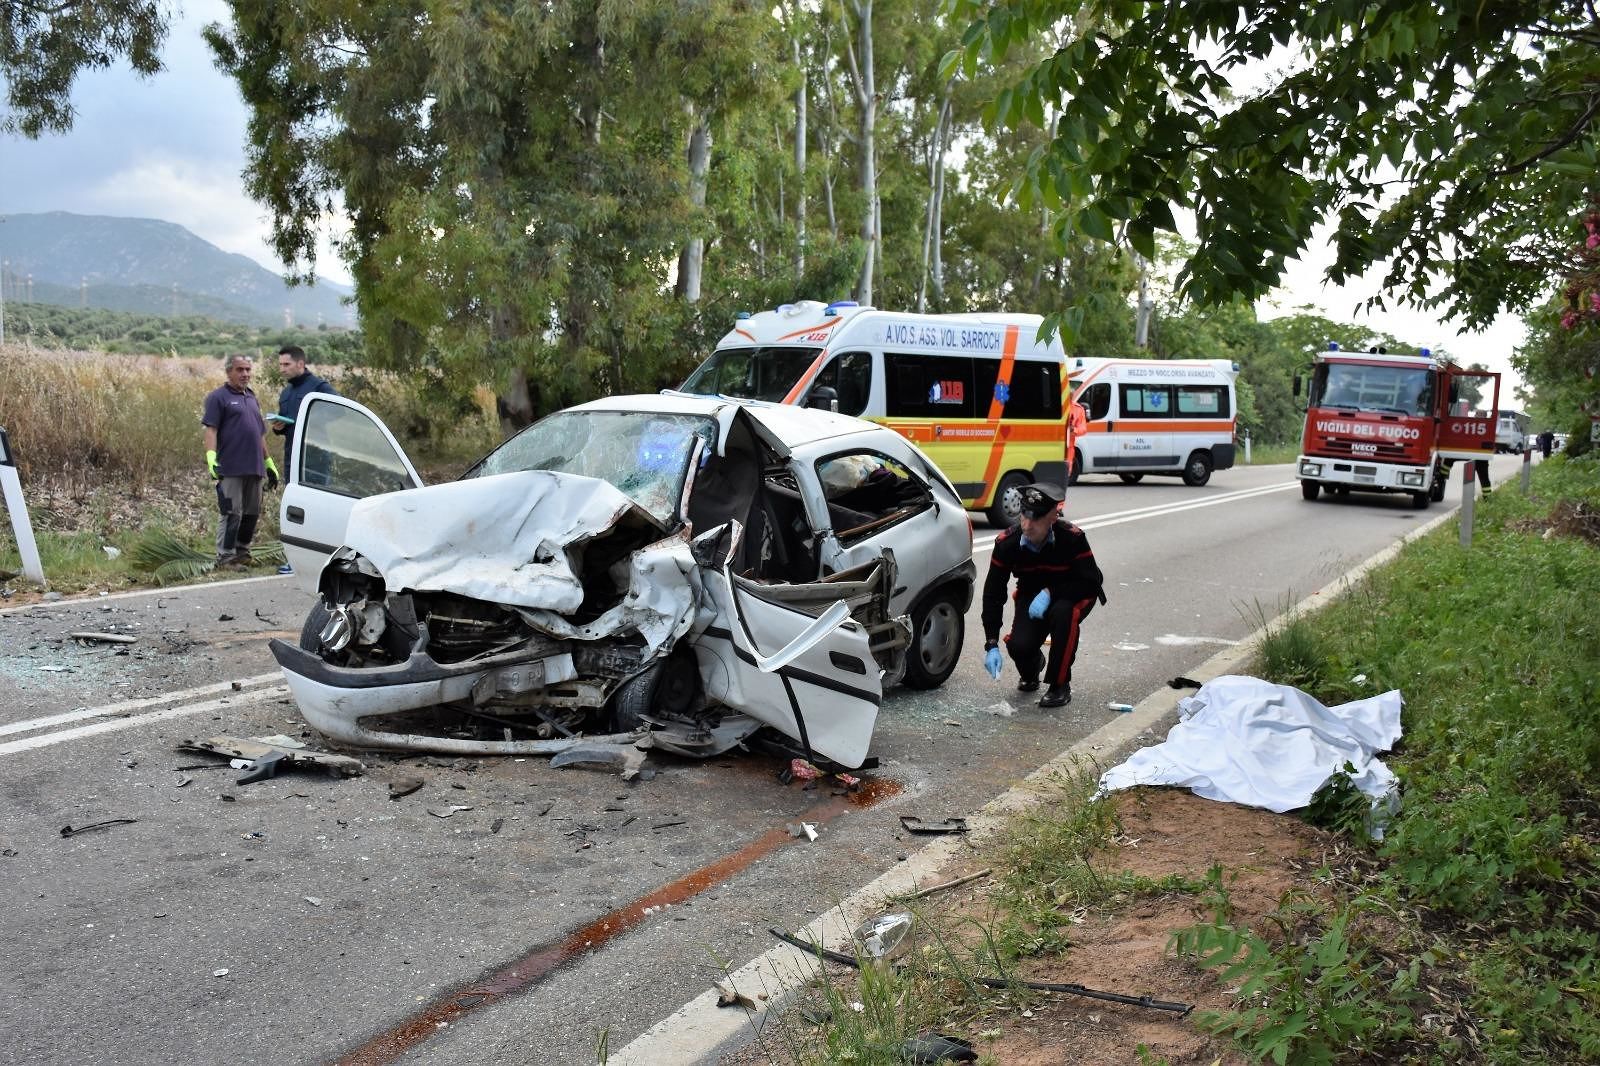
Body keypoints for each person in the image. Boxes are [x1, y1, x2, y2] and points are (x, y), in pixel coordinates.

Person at [981, 482, 1106, 708]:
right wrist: (991, 643)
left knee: (1063, 613)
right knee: (1019, 646)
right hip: (1031, 594)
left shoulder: (1072, 538)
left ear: (1053, 518)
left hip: (1072, 592)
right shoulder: (1007, 544)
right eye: (1024, 515)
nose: (1027, 525)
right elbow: (993, 593)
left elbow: (1092, 582)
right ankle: (1032, 668)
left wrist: (1051, 592)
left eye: (1036, 519)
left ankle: (1059, 684)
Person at [202, 354, 279, 570]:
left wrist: (269, 462)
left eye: (248, 369)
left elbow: (259, 434)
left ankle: (242, 552)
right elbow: (211, 429)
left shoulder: (252, 398)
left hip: (254, 466)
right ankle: (225, 558)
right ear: (229, 372)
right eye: (240, 370)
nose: (245, 374)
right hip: (231, 466)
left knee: (252, 513)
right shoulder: (218, 397)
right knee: (231, 512)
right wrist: (211, 457)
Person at [273, 345, 337, 574]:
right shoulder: (286, 393)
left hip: (316, 458)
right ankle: (296, 560)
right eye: (280, 365)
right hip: (293, 458)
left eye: (287, 364)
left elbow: (337, 411)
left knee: (317, 510)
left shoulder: (319, 387)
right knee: (295, 511)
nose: (282, 369)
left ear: (300, 363)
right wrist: (279, 427)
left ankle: (324, 561)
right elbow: (286, 424)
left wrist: (312, 421)